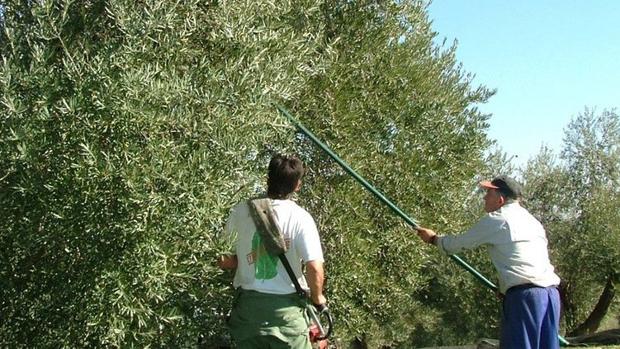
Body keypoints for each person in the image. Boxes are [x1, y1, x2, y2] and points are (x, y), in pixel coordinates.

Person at [415, 175, 561, 349]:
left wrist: (434, 239)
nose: (484, 197)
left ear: (500, 199)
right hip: (551, 296)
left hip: (525, 298)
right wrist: (507, 286)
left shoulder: (498, 219)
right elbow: (526, 258)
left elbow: (460, 243)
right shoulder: (532, 221)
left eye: (488, 193)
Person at [217, 153, 326, 349]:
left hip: (248, 315)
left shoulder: (240, 211)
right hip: (286, 317)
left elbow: (224, 260)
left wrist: (247, 257)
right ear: (297, 185)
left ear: (267, 179)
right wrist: (318, 299)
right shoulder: (300, 218)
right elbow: (315, 268)